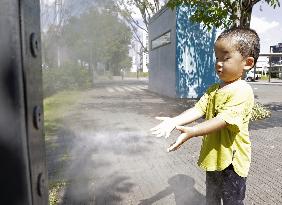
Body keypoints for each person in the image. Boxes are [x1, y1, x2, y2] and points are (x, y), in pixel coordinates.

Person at [151, 27, 260, 205]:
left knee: (233, 201)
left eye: (225, 58)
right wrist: (174, 121)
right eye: (217, 57)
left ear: (247, 63)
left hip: (232, 163)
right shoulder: (213, 90)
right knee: (212, 200)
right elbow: (198, 109)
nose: (218, 63)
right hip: (214, 157)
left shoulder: (242, 91)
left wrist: (193, 131)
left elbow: (223, 119)